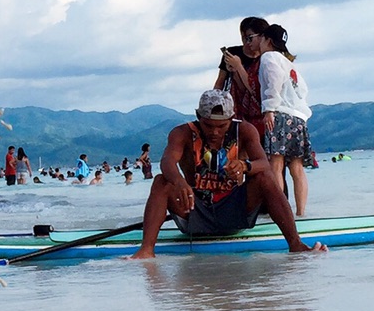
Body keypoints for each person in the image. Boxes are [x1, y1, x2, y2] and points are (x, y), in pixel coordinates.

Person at [132, 90, 326, 257]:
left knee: (264, 178)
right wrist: (179, 182)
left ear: (231, 118)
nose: (215, 132)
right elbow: (167, 161)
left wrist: (245, 166)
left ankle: (295, 244)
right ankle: (146, 250)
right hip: (194, 208)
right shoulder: (181, 133)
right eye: (208, 125)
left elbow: (264, 164)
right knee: (161, 181)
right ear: (198, 116)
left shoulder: (244, 130)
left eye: (222, 126)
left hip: (234, 209)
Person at [254, 22, 314, 217]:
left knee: (276, 164)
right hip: (299, 117)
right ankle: (301, 213)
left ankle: (279, 213)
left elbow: (274, 79)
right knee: (297, 167)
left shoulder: (269, 57)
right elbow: (302, 90)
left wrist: (269, 108)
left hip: (280, 114)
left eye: (261, 38)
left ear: (267, 40)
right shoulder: (289, 63)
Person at [216, 23, 267, 135]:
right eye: (244, 37)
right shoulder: (233, 53)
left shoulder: (266, 59)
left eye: (250, 38)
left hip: (259, 110)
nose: (246, 42)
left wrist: (238, 67)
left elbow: (254, 89)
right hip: (236, 106)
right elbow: (220, 82)